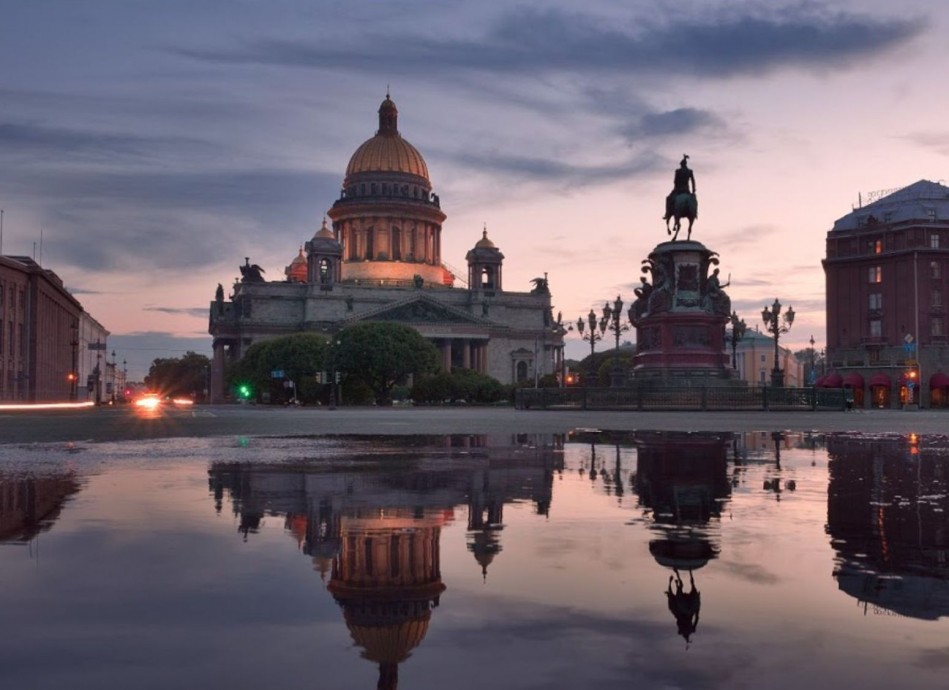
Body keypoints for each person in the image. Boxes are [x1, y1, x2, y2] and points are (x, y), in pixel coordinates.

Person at [664, 155, 696, 221]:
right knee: (694, 200)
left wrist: (676, 187)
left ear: (681, 165)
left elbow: (675, 181)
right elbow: (693, 181)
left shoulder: (678, 171)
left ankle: (667, 213)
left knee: (668, 198)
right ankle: (695, 212)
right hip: (686, 190)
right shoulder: (690, 171)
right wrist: (693, 190)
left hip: (678, 190)